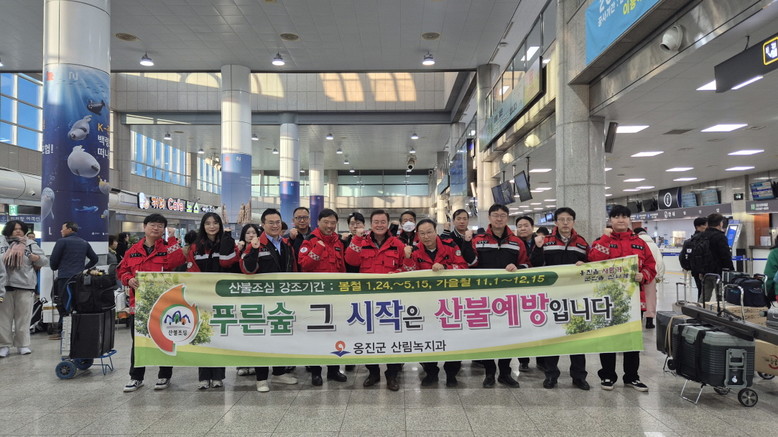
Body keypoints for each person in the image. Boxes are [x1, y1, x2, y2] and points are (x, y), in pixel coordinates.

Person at [588, 204, 656, 392]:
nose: (621, 220)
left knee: (632, 341)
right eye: (616, 217)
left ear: (629, 220)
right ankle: (607, 376)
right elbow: (593, 260)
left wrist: (643, 275)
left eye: (624, 217)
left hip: (633, 300)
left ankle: (632, 377)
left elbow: (651, 266)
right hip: (608, 299)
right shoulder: (602, 241)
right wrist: (605, 238)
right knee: (607, 340)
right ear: (610, 220)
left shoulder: (640, 243)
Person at [118, 213, 186, 393]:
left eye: (160, 226)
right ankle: (136, 377)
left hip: (164, 305)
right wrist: (128, 279)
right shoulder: (133, 250)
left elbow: (178, 261)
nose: (156, 228)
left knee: (165, 339)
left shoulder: (168, 248)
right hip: (139, 305)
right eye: (152, 225)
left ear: (164, 229)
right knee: (139, 343)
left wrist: (172, 238)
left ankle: (165, 375)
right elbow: (122, 270)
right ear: (144, 227)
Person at [345, 209, 408, 391]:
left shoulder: (397, 244)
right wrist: (357, 239)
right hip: (367, 300)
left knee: (393, 338)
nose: (379, 225)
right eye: (376, 222)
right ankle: (373, 372)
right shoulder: (361, 242)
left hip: (391, 301)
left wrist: (397, 273)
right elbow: (351, 261)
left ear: (388, 224)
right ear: (370, 224)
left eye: (383, 222)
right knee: (369, 337)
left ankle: (392, 374)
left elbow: (406, 267)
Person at [528, 208, 590, 390]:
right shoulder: (545, 241)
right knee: (552, 337)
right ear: (555, 222)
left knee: (577, 337)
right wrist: (538, 248)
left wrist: (585, 265)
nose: (565, 223)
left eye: (569, 219)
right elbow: (535, 264)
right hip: (551, 297)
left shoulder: (581, 243)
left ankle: (579, 376)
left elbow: (591, 265)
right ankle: (551, 375)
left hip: (575, 298)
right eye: (561, 219)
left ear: (573, 222)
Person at [401, 218, 467, 387]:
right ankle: (431, 372)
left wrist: (446, 268)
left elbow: (463, 268)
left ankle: (451, 374)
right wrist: (407, 258)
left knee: (453, 338)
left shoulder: (450, 246)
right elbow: (408, 274)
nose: (426, 236)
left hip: (449, 303)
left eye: (429, 232)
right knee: (426, 338)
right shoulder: (415, 250)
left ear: (435, 231)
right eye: (422, 233)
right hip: (425, 304)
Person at [239, 209, 300, 392]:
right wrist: (254, 250)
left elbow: (293, 270)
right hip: (262, 300)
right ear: (263, 225)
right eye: (271, 222)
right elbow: (248, 270)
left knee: (281, 335)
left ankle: (279, 372)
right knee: (262, 339)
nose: (275, 225)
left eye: (277, 222)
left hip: (283, 300)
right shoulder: (256, 244)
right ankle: (261, 378)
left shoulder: (286, 244)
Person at [470, 204, 529, 388]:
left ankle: (505, 373)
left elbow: (527, 264)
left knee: (508, 335)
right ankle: (489, 373)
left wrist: (517, 267)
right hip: (484, 297)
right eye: (495, 215)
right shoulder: (478, 240)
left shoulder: (516, 242)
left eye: (503, 215)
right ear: (489, 218)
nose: (499, 218)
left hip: (509, 297)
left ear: (507, 218)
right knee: (486, 335)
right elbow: (470, 265)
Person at [185, 213, 240, 390]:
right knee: (203, 336)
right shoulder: (195, 247)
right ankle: (203, 377)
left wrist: (227, 242)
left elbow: (228, 263)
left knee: (218, 337)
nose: (212, 226)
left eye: (215, 223)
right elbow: (192, 270)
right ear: (203, 226)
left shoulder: (227, 243)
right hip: (201, 297)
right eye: (208, 223)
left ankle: (218, 376)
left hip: (221, 297)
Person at [298, 208, 349, 386]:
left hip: (335, 297)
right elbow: (304, 265)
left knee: (335, 333)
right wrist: (318, 249)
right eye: (326, 222)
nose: (329, 226)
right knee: (316, 335)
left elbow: (342, 269)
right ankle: (316, 371)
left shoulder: (338, 242)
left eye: (333, 223)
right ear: (318, 222)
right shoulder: (309, 241)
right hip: (316, 297)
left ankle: (334, 370)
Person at [0, 221, 48, 357]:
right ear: (8, 230)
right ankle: (3, 345)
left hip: (25, 286)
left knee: (24, 318)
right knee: (3, 319)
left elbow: (44, 261)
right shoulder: (1, 243)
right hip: (3, 287)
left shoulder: (30, 244)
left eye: (21, 229)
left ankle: (23, 344)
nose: (18, 231)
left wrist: (36, 257)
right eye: (15, 229)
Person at [49, 221, 99, 338]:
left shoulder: (61, 242)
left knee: (63, 304)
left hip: (65, 278)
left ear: (70, 229)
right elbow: (95, 259)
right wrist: (83, 269)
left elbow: (53, 262)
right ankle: (77, 329)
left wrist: (56, 267)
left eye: (63, 228)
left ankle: (63, 330)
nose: (61, 231)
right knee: (77, 303)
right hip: (79, 279)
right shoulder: (84, 242)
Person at [235, 223, 262, 378]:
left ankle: (254, 362)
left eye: (254, 232)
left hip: (257, 293)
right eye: (248, 233)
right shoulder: (239, 249)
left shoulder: (260, 248)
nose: (251, 235)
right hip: (241, 293)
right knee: (242, 330)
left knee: (255, 330)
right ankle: (242, 363)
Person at [514, 215, 540, 372]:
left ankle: (542, 359)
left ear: (532, 226)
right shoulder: (513, 243)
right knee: (521, 326)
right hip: (520, 290)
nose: (523, 228)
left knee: (540, 324)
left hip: (539, 289)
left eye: (526, 225)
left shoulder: (541, 242)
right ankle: (523, 360)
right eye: (520, 226)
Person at [633, 227, 665, 329]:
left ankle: (639, 318)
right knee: (651, 298)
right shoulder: (654, 245)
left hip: (637, 275)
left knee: (639, 297)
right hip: (651, 274)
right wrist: (659, 275)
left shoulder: (636, 243)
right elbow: (659, 261)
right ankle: (649, 321)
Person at [679, 217, 707, 298]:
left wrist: (688, 267)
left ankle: (700, 304)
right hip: (706, 270)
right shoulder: (705, 240)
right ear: (699, 226)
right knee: (705, 292)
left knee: (701, 290)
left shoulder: (689, 241)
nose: (707, 227)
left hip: (695, 270)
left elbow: (682, 257)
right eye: (705, 225)